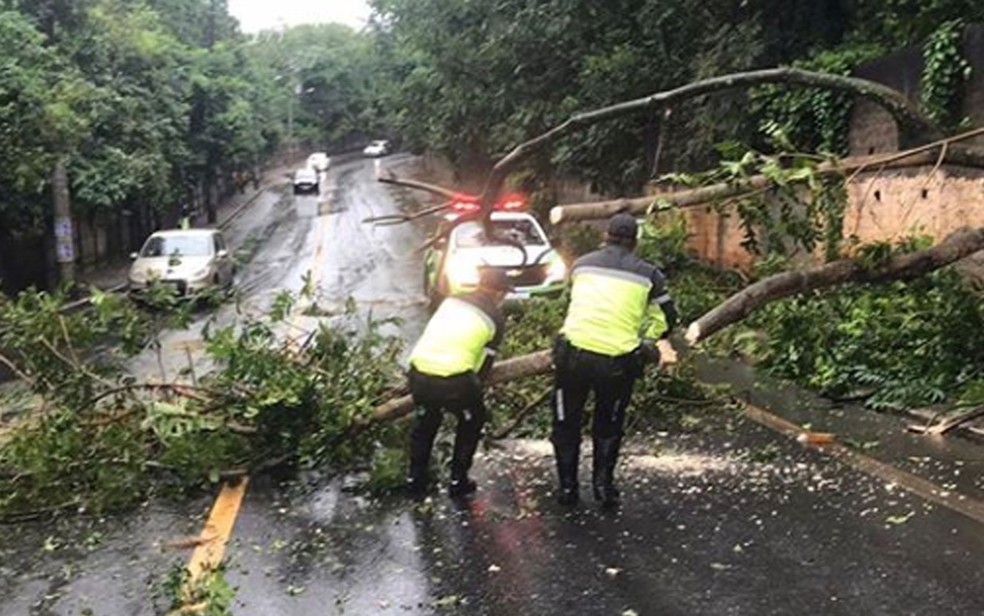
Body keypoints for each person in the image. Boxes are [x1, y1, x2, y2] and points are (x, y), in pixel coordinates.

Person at [551, 213, 678, 508]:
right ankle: (603, 487)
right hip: (617, 362)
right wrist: (647, 337)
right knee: (608, 424)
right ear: (635, 242)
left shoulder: (581, 264)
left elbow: (572, 301)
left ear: (605, 237)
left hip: (573, 355)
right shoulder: (650, 275)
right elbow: (667, 318)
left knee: (566, 422)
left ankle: (567, 488)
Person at [405, 268, 512, 499]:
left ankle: (415, 479)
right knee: (472, 421)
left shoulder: (451, 300)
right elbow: (484, 364)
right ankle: (458, 480)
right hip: (454, 381)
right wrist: (475, 387)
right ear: (498, 293)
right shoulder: (495, 317)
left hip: (418, 373)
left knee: (425, 424)